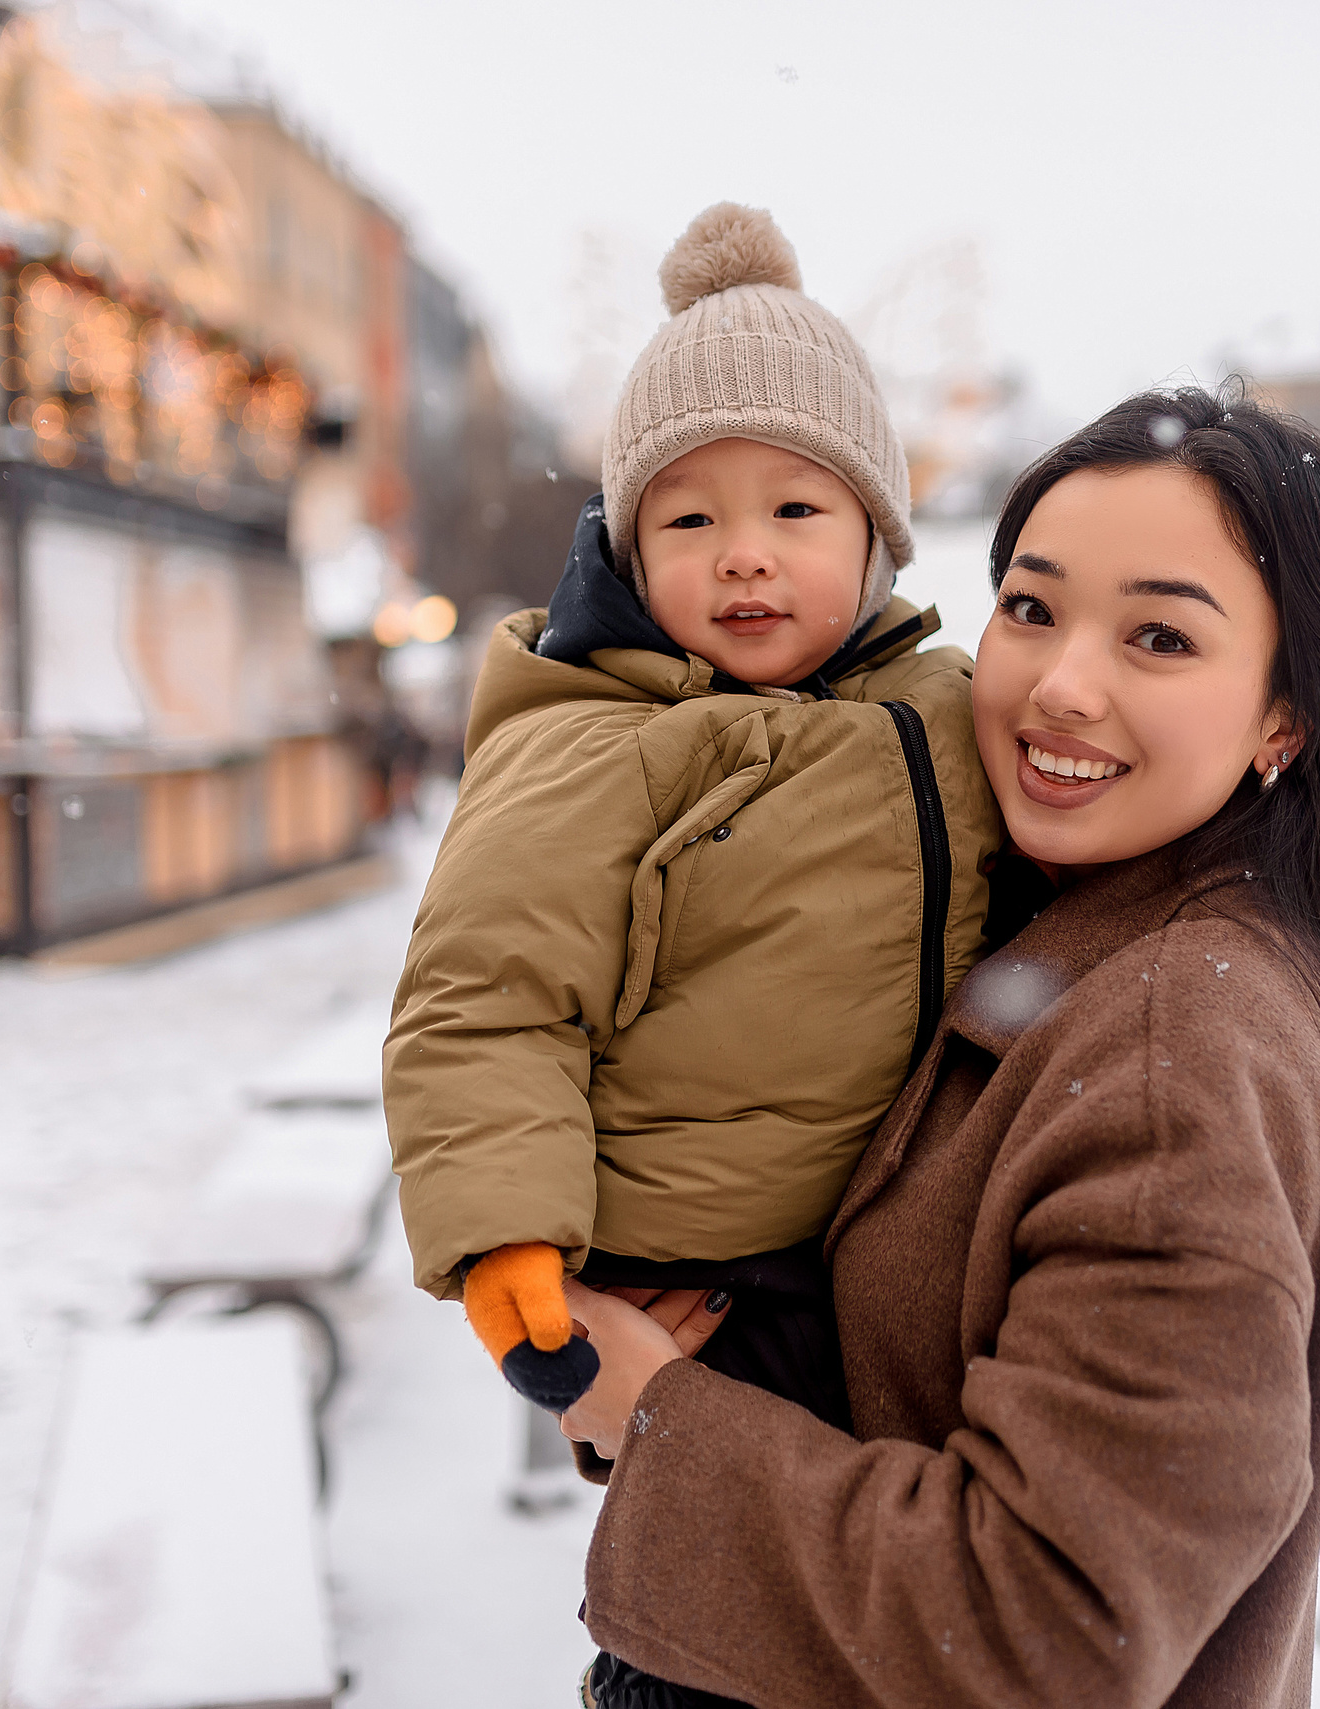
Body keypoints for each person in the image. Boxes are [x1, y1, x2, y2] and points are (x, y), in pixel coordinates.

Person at [558, 385, 1320, 1709]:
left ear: (1284, 719)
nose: (1061, 686)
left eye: (1159, 637)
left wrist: (658, 1417)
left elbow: (1049, 1634)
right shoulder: (1091, 942)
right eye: (1031, 608)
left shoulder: (1170, 1044)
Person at [383, 204, 1000, 1443]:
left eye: (794, 511)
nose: (742, 557)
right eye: (689, 519)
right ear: (625, 545)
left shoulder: (945, 713)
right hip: (706, 1282)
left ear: (876, 535)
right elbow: (487, 996)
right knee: (717, 1593)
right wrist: (509, 1236)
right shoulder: (594, 742)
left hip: (890, 1258)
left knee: (882, 1581)